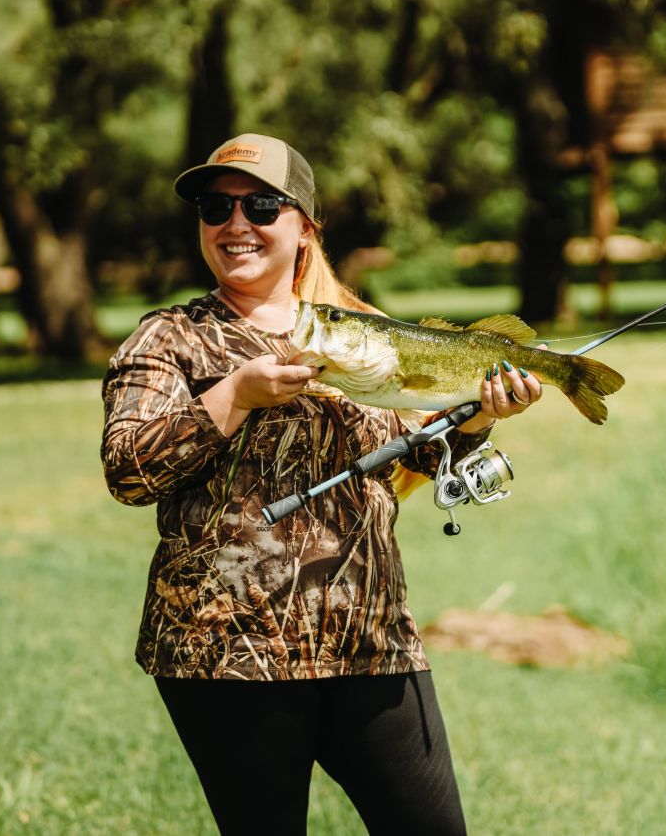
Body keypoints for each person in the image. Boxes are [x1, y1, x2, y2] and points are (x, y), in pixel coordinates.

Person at [100, 132, 542, 835]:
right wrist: (235, 394)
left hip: (371, 640)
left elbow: (425, 454)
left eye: (261, 207)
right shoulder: (169, 339)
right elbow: (128, 470)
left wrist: (481, 416)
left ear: (304, 225)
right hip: (226, 655)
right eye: (216, 207)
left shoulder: (366, 333)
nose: (236, 224)